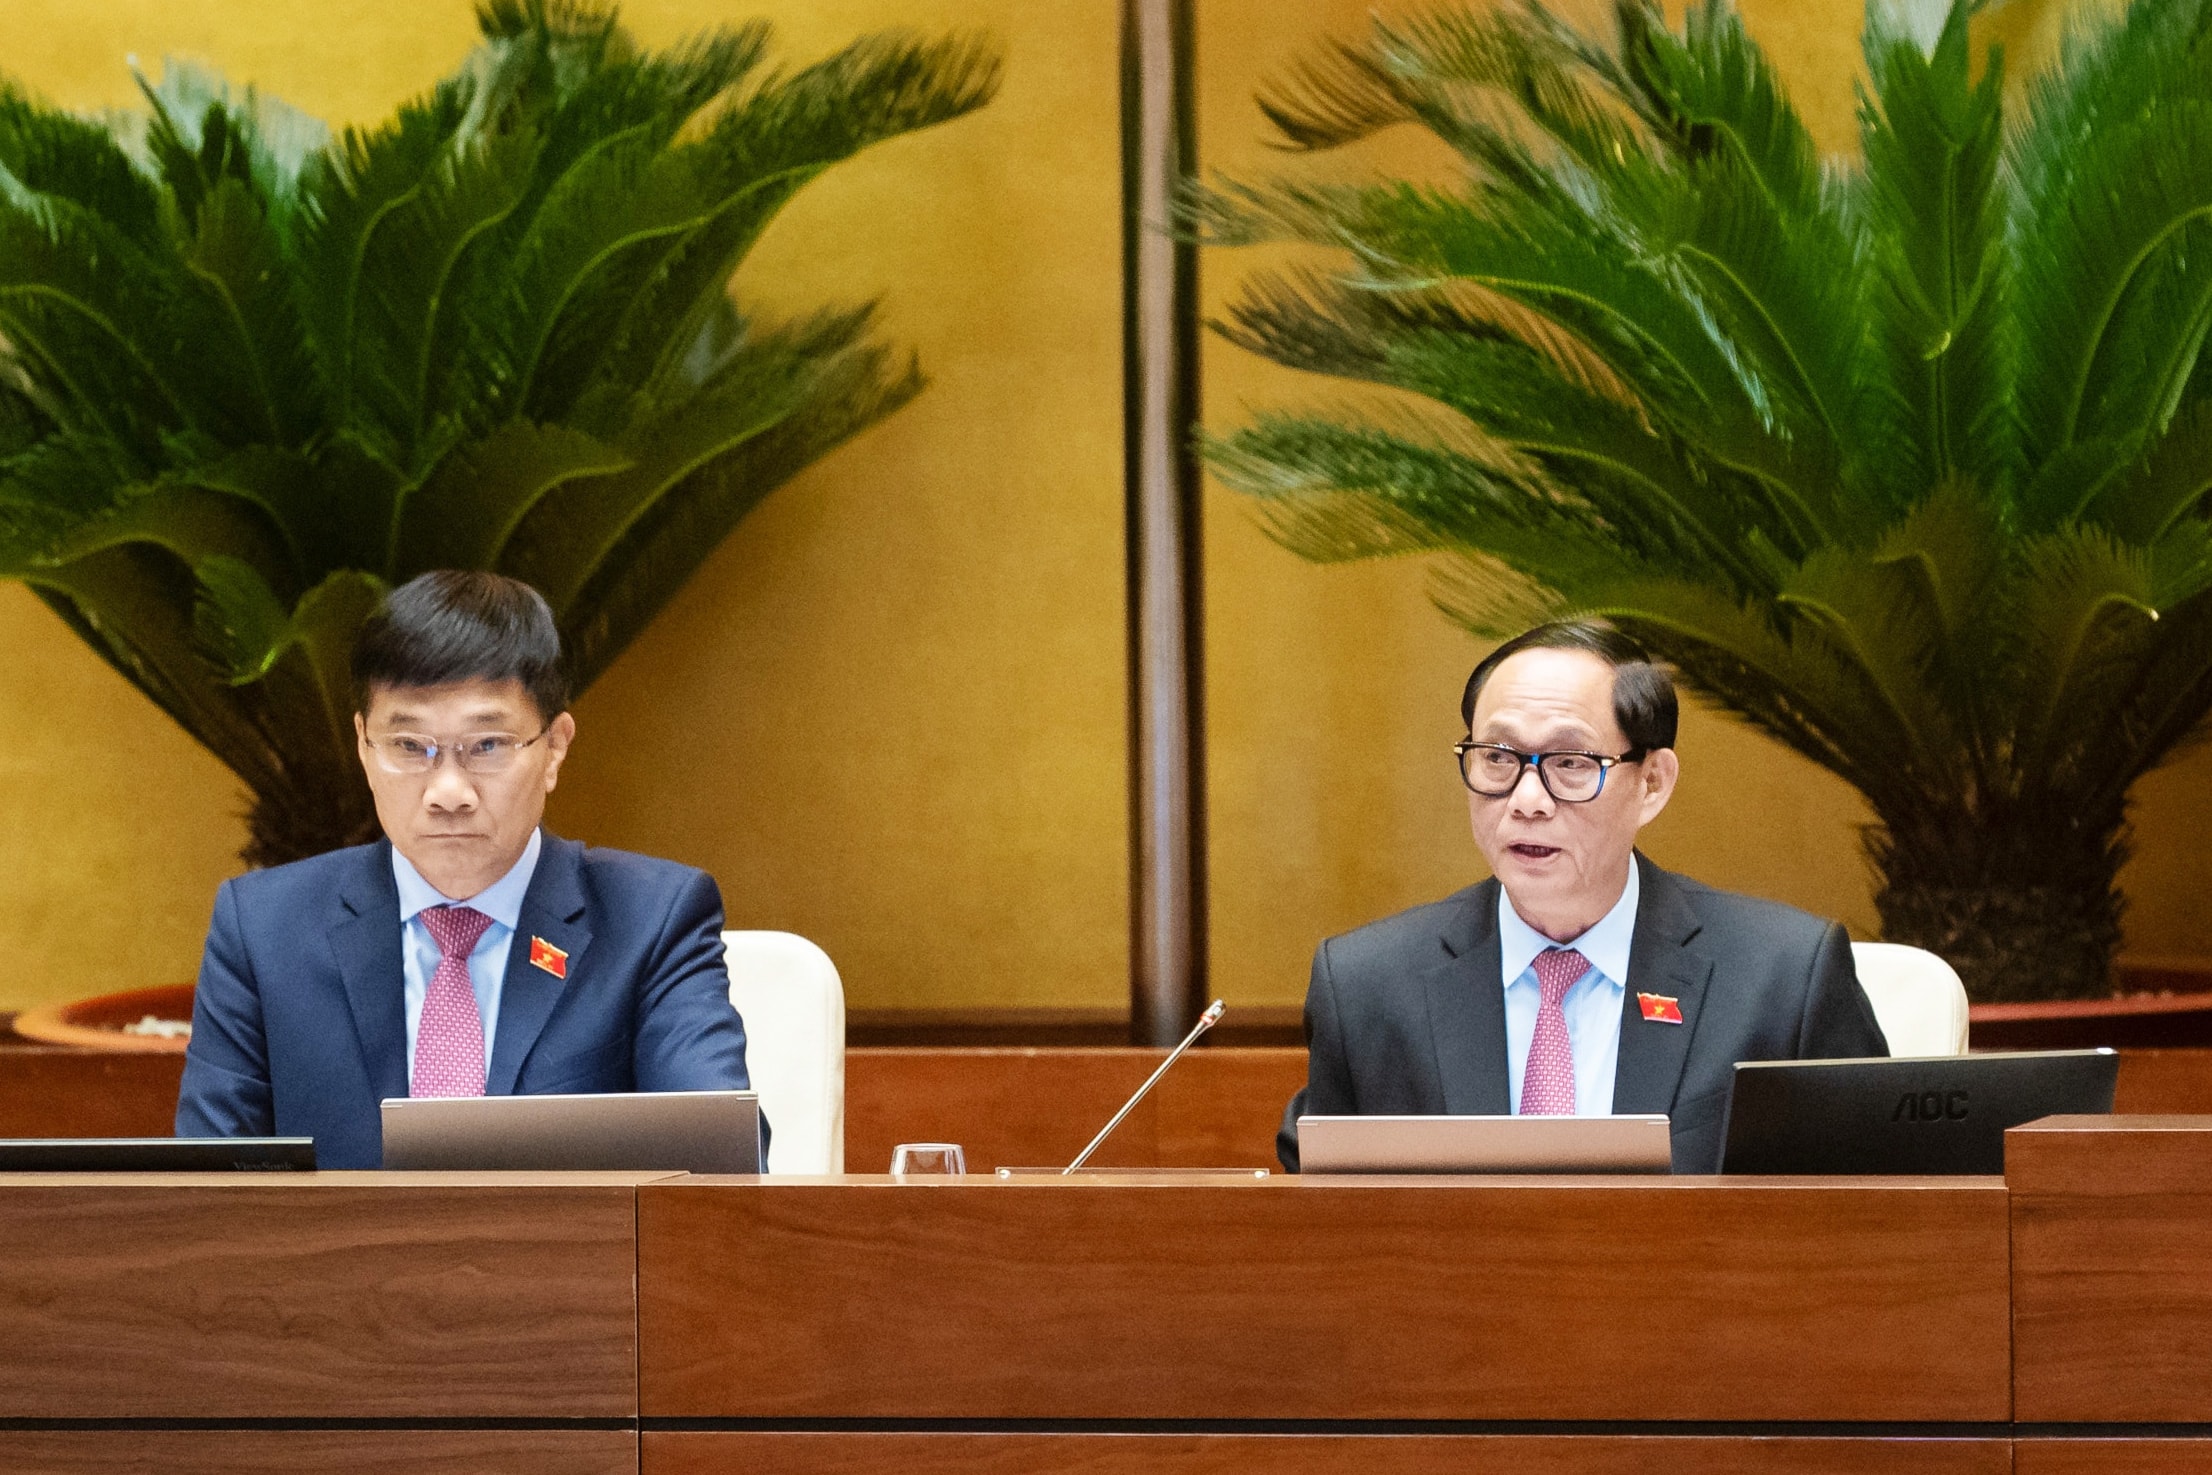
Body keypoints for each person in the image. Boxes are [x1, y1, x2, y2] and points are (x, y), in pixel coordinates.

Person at [176, 571, 753, 1168]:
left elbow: (719, 1166)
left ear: (554, 746)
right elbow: (207, 1191)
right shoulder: (263, 929)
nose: (448, 792)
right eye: (408, 747)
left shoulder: (653, 920)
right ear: (363, 747)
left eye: (487, 746)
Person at [1277, 620, 1887, 1173]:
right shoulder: (1367, 987)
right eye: (1497, 758)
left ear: (1651, 783)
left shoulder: (1782, 978)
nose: (1527, 799)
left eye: (1570, 762)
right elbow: (1314, 1226)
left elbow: (1873, 1209)